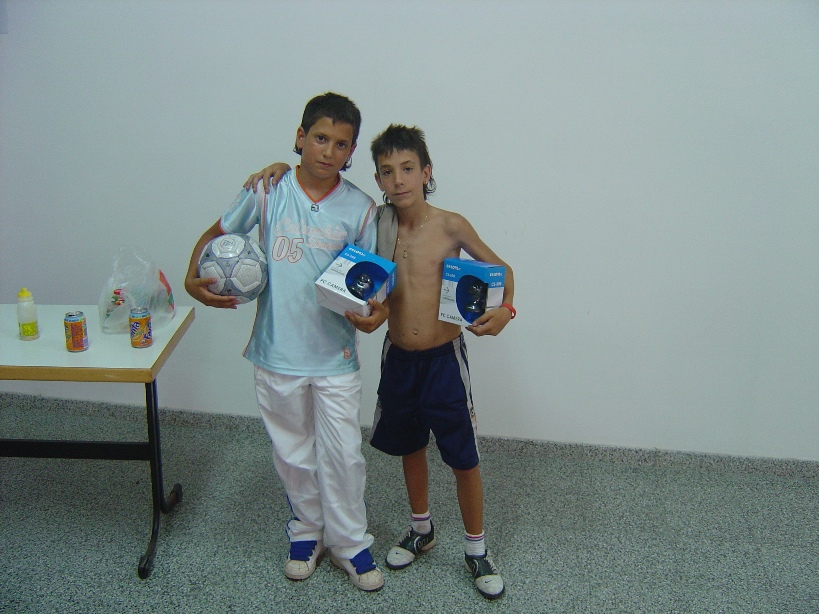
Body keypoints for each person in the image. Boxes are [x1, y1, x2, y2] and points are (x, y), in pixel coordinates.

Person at [246, 124, 515, 600]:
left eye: (408, 169)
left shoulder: (450, 225)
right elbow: (374, 287)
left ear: (426, 172)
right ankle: (421, 529)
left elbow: (502, 271)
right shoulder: (377, 222)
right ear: (377, 179)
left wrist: (505, 310)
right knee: (410, 445)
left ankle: (476, 547)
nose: (398, 180)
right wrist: (284, 169)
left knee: (463, 455)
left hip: (444, 360)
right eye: (387, 172)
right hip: (399, 357)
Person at [185, 92, 384, 592]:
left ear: (351, 151)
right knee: (293, 451)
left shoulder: (361, 209)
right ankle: (307, 531)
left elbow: (372, 286)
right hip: (276, 351)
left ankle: (350, 543)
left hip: (335, 355)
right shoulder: (268, 190)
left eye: (341, 144)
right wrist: (192, 278)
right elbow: (216, 234)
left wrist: (374, 314)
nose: (328, 151)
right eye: (320, 138)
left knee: (344, 453)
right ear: (300, 137)